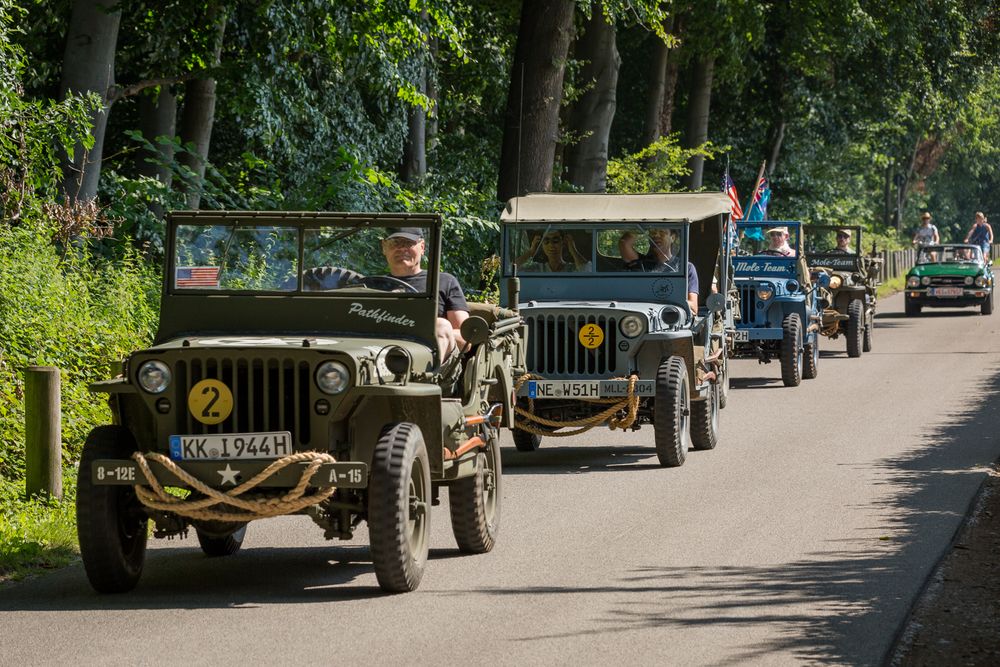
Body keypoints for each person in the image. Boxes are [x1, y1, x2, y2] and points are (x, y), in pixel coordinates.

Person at [380, 227, 469, 361]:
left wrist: (419, 330)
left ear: (422, 247)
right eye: (395, 243)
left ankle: (425, 377)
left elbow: (465, 338)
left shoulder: (443, 282)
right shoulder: (371, 286)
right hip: (377, 357)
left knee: (441, 326)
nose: (401, 249)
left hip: (435, 369)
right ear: (384, 248)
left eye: (408, 243)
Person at [619, 228, 699, 313]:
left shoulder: (686, 268)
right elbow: (624, 243)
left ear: (673, 237)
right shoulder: (640, 262)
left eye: (662, 232)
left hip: (670, 317)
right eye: (653, 233)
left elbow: (693, 307)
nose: (656, 236)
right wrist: (641, 228)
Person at [515, 229, 592, 272]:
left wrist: (573, 250)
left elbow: (587, 271)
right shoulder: (538, 269)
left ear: (563, 243)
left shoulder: (571, 269)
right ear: (542, 244)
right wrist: (530, 252)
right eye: (546, 241)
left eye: (555, 240)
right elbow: (511, 270)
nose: (551, 245)